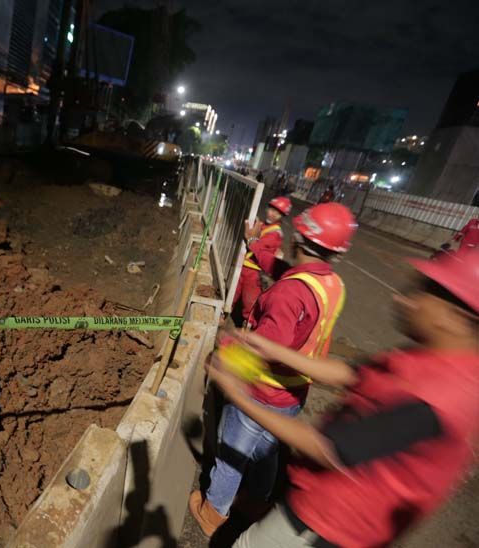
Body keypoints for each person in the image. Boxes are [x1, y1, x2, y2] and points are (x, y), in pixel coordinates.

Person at [209, 249, 479, 548]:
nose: (402, 300)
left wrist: (238, 395)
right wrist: (274, 350)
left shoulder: (441, 397)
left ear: (456, 317)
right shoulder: (432, 356)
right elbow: (351, 372)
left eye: (422, 293)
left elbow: (327, 447)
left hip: (330, 524)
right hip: (324, 500)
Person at [189, 203, 358, 537]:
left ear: (298, 237)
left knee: (231, 453)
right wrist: (255, 246)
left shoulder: (288, 293)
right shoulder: (332, 283)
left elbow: (264, 347)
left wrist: (224, 358)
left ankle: (213, 513)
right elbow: (284, 269)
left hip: (263, 389)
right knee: (267, 451)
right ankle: (256, 500)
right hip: (294, 393)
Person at [232, 197, 292, 323]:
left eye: (278, 212)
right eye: (272, 209)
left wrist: (251, 239)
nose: (273, 213)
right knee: (233, 294)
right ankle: (224, 315)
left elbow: (258, 246)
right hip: (244, 266)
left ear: (282, 216)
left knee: (250, 303)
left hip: (255, 271)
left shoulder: (275, 233)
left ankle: (248, 326)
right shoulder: (261, 225)